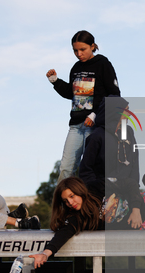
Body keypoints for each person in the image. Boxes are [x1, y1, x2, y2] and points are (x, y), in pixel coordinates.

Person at [46, 30, 121, 182]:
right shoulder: (75, 68)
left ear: (92, 46)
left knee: (89, 169)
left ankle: (90, 204)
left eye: (82, 49)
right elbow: (71, 93)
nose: (79, 54)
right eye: (75, 50)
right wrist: (55, 81)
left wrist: (94, 115)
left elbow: (114, 95)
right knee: (66, 168)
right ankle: (62, 205)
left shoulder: (103, 64)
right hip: (75, 126)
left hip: (94, 126)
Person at [79, 96, 139, 187]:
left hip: (127, 188)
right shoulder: (97, 136)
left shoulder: (129, 132)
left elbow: (134, 162)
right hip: (103, 190)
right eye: (126, 110)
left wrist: (134, 185)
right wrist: (97, 188)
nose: (130, 114)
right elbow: (85, 170)